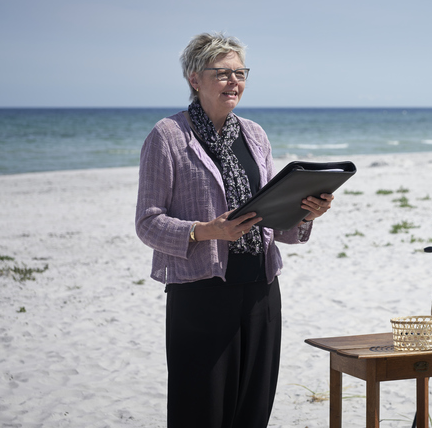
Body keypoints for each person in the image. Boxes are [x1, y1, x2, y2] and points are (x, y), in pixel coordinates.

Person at [135, 32, 334, 427]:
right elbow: (147, 222)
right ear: (195, 78)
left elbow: (271, 219)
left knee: (253, 409)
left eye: (241, 73)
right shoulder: (168, 136)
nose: (235, 82)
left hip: (261, 289)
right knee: (201, 411)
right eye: (223, 73)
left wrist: (307, 213)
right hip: (200, 294)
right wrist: (206, 231)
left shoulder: (255, 134)